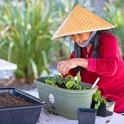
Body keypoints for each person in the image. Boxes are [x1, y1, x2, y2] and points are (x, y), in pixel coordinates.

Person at [52, 4, 124, 113]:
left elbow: (111, 67)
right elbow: (73, 76)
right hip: (96, 102)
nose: (76, 39)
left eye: (79, 34)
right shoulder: (80, 49)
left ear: (92, 29)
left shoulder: (108, 39)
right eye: (72, 35)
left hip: (118, 103)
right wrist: (64, 68)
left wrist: (78, 61)